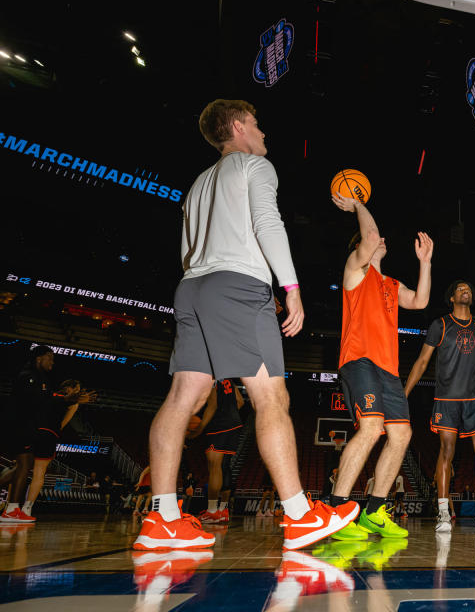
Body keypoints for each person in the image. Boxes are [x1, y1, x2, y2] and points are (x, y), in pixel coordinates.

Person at [134, 99, 357, 551]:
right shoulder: (257, 166)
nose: (263, 133)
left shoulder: (198, 184)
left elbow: (191, 247)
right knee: (271, 394)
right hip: (236, 287)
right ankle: (298, 515)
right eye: (256, 124)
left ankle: (162, 518)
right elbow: (266, 222)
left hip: (192, 286)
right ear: (237, 126)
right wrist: (291, 286)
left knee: (181, 397)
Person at [327, 192, 432, 541]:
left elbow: (419, 301)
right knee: (372, 428)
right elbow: (371, 237)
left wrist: (426, 262)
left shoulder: (390, 285)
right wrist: (357, 205)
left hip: (388, 369)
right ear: (362, 246)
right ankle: (337, 510)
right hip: (359, 360)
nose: (381, 239)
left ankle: (373, 512)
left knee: (401, 434)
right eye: (374, 239)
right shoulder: (355, 270)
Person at [405, 280, 475, 533]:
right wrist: (404, 393)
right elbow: (422, 361)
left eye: (469, 289)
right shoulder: (440, 325)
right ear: (451, 297)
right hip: (447, 398)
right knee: (446, 451)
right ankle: (442, 513)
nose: (466, 291)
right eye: (461, 289)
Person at [22, 379, 96, 519]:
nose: (78, 392)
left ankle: (11, 507)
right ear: (69, 388)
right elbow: (62, 424)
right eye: (77, 389)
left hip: (30, 432)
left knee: (20, 469)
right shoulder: (72, 403)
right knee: (39, 474)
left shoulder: (47, 393)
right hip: (48, 434)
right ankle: (26, 509)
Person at [0, 346, 55, 523]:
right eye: (49, 358)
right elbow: (33, 403)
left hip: (26, 428)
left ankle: (12, 508)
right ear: (39, 359)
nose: (52, 362)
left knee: (22, 466)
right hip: (19, 427)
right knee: (24, 465)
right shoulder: (28, 376)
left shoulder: (40, 378)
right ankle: (11, 510)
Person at [191, 379, 244, 523]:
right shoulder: (229, 379)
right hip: (234, 424)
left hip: (219, 426)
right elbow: (240, 401)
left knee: (214, 467)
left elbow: (212, 405)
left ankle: (212, 511)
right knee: (224, 467)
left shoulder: (210, 378)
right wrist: (230, 413)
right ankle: (223, 510)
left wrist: (200, 428)